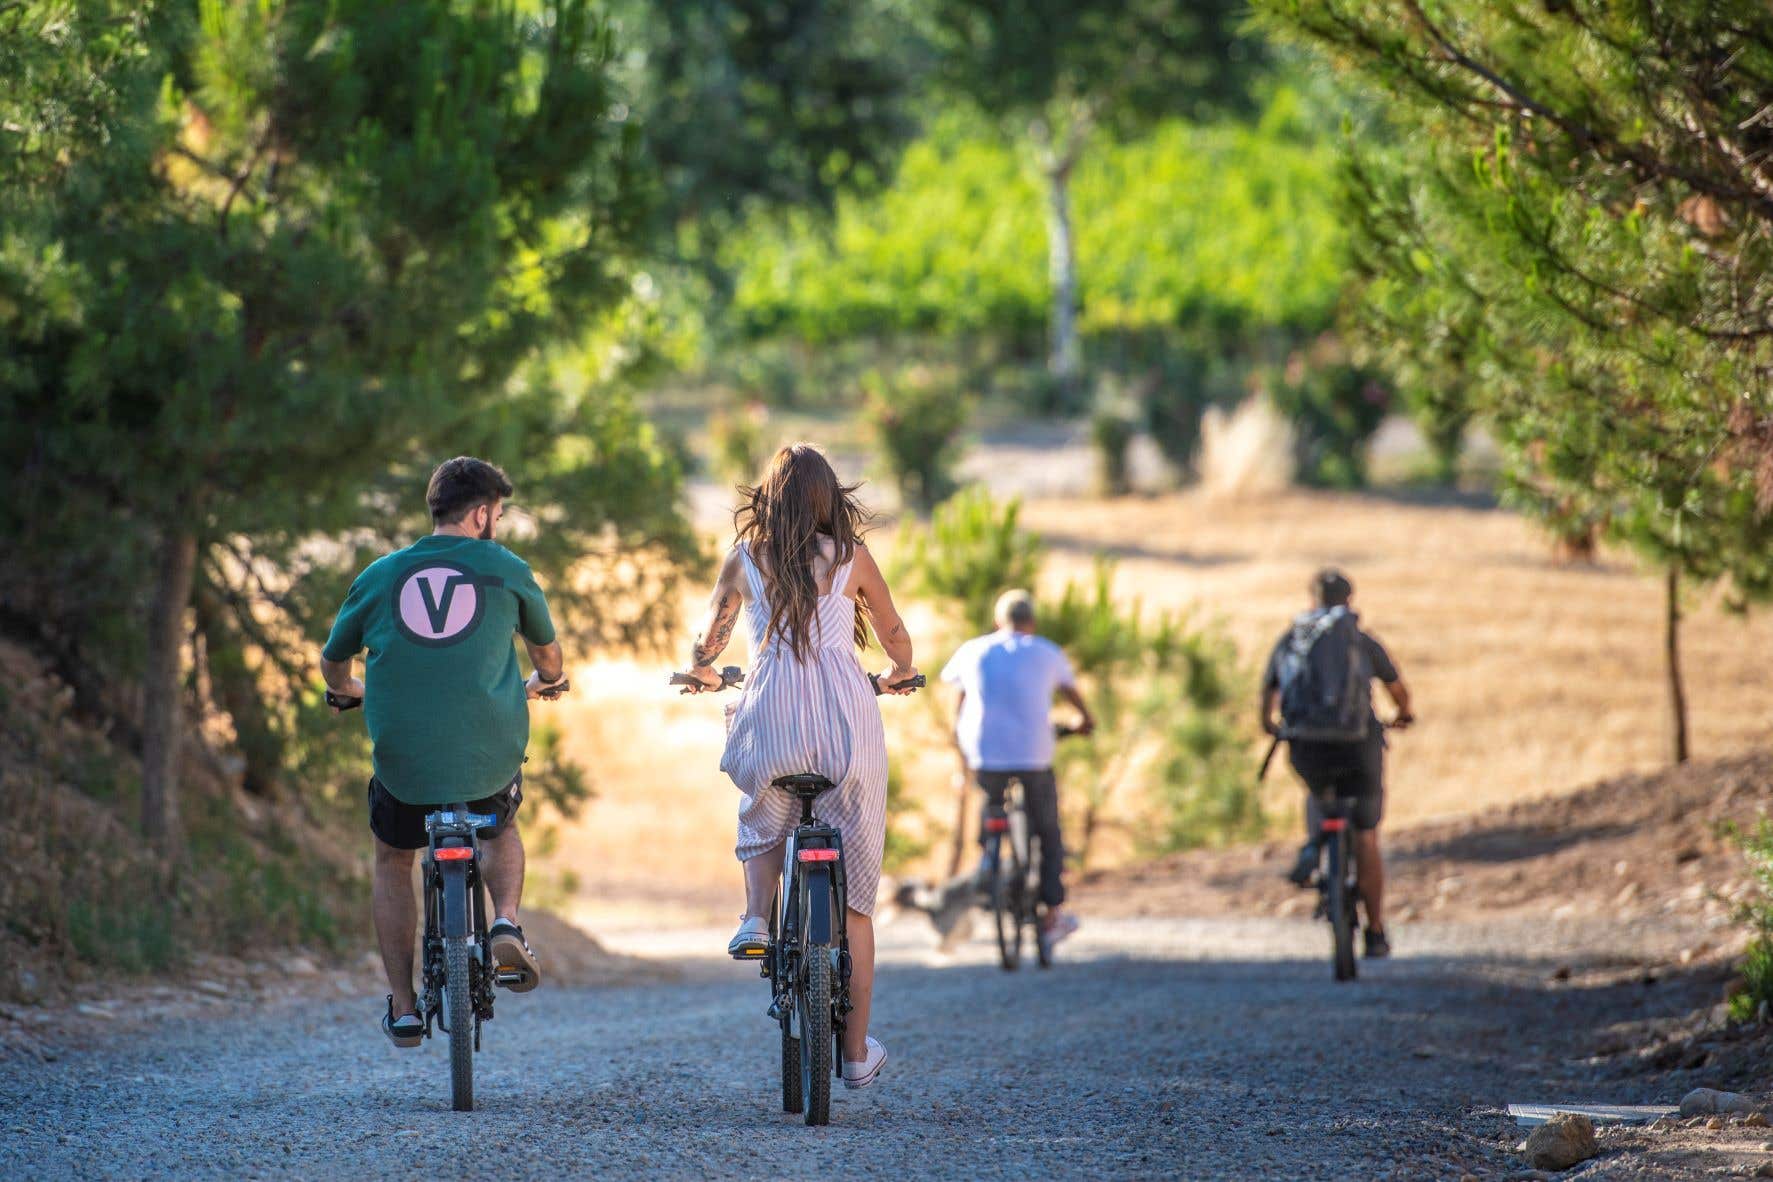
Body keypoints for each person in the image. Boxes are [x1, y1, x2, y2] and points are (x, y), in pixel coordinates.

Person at [676, 443, 918, 1091]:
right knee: (857, 909)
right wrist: (899, 673)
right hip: (845, 723)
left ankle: (755, 918)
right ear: (827, 500)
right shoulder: (851, 559)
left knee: (764, 809)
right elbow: (893, 635)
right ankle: (855, 1051)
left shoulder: (745, 559)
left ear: (770, 499)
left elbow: (711, 638)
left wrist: (702, 670)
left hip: (772, 713)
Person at [320, 456, 568, 1047]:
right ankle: (504, 919)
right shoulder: (506, 569)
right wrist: (546, 683)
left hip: (405, 766)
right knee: (500, 827)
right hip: (488, 757)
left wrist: (346, 691)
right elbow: (550, 662)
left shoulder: (381, 574)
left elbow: (334, 658)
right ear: (481, 514)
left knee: (392, 858)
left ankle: (404, 1006)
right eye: (499, 514)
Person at [1259, 568, 1413, 959]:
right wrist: (1403, 714)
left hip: (1307, 747)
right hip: (1358, 747)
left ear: (1312, 599)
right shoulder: (1360, 642)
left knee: (1317, 791)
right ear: (1350, 599)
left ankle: (1315, 845)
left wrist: (1273, 726)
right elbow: (1397, 689)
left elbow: (1267, 698)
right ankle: (1375, 932)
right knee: (1366, 833)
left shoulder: (1293, 638)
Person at [940, 589, 1096, 953]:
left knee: (991, 803)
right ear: (1032, 622)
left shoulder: (972, 649)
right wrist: (1085, 721)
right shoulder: (1046, 651)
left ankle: (988, 860)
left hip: (983, 752)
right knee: (1047, 832)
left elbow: (958, 701)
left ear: (998, 622)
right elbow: (1072, 694)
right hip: (1033, 755)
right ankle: (1053, 914)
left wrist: (960, 743)